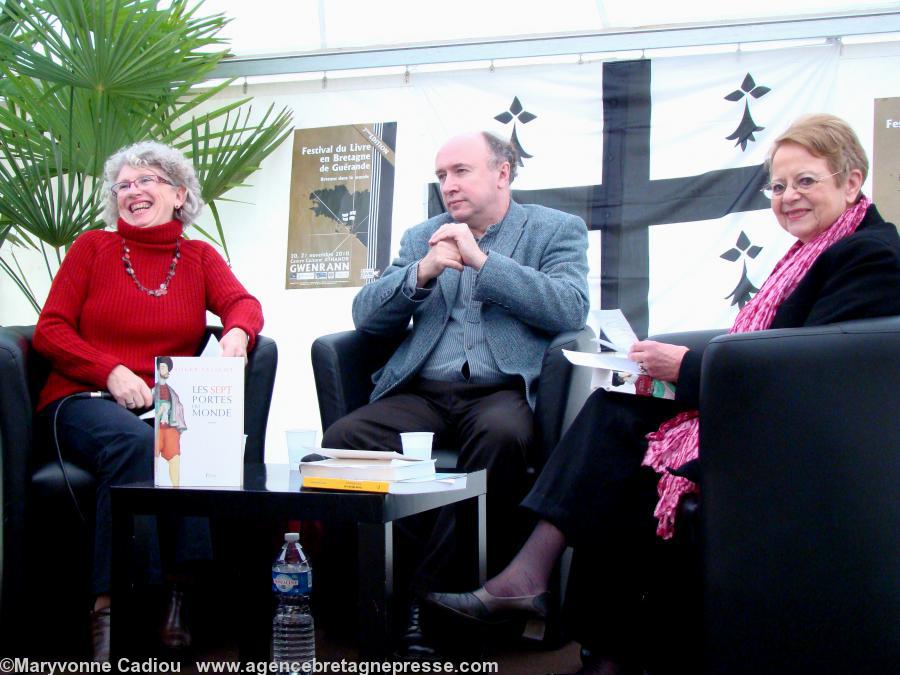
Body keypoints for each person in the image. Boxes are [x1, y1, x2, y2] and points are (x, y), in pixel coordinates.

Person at [427, 113, 900, 674]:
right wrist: (668, 370)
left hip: (804, 444)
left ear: (851, 182)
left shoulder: (868, 255)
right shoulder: (812, 250)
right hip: (768, 415)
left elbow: (808, 376)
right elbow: (778, 354)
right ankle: (584, 634)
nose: (787, 198)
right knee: (616, 414)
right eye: (777, 186)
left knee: (626, 449)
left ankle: (544, 595)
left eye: (805, 182)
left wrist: (689, 366)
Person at [321, 131, 589, 655]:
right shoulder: (424, 234)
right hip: (423, 390)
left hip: (500, 390)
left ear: (503, 173)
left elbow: (569, 308)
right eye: (441, 175)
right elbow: (366, 318)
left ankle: (429, 603)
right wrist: (422, 272)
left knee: (503, 439)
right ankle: (361, 602)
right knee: (344, 438)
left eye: (461, 171)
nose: (448, 185)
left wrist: (486, 265)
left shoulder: (555, 229)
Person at [33, 141, 263, 661]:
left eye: (147, 181)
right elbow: (50, 331)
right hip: (81, 396)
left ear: (180, 195)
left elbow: (243, 304)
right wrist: (108, 370)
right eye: (124, 185)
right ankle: (108, 606)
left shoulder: (200, 257)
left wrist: (237, 334)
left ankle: (179, 598)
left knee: (178, 441)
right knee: (146, 444)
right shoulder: (91, 249)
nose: (133, 192)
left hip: (161, 402)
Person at [154, 356, 187, 487]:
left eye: (165, 367)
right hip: (156, 427)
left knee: (175, 458)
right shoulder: (153, 389)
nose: (164, 369)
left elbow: (178, 407)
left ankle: (176, 489)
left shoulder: (172, 392)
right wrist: (159, 412)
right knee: (154, 456)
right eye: (161, 366)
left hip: (170, 427)